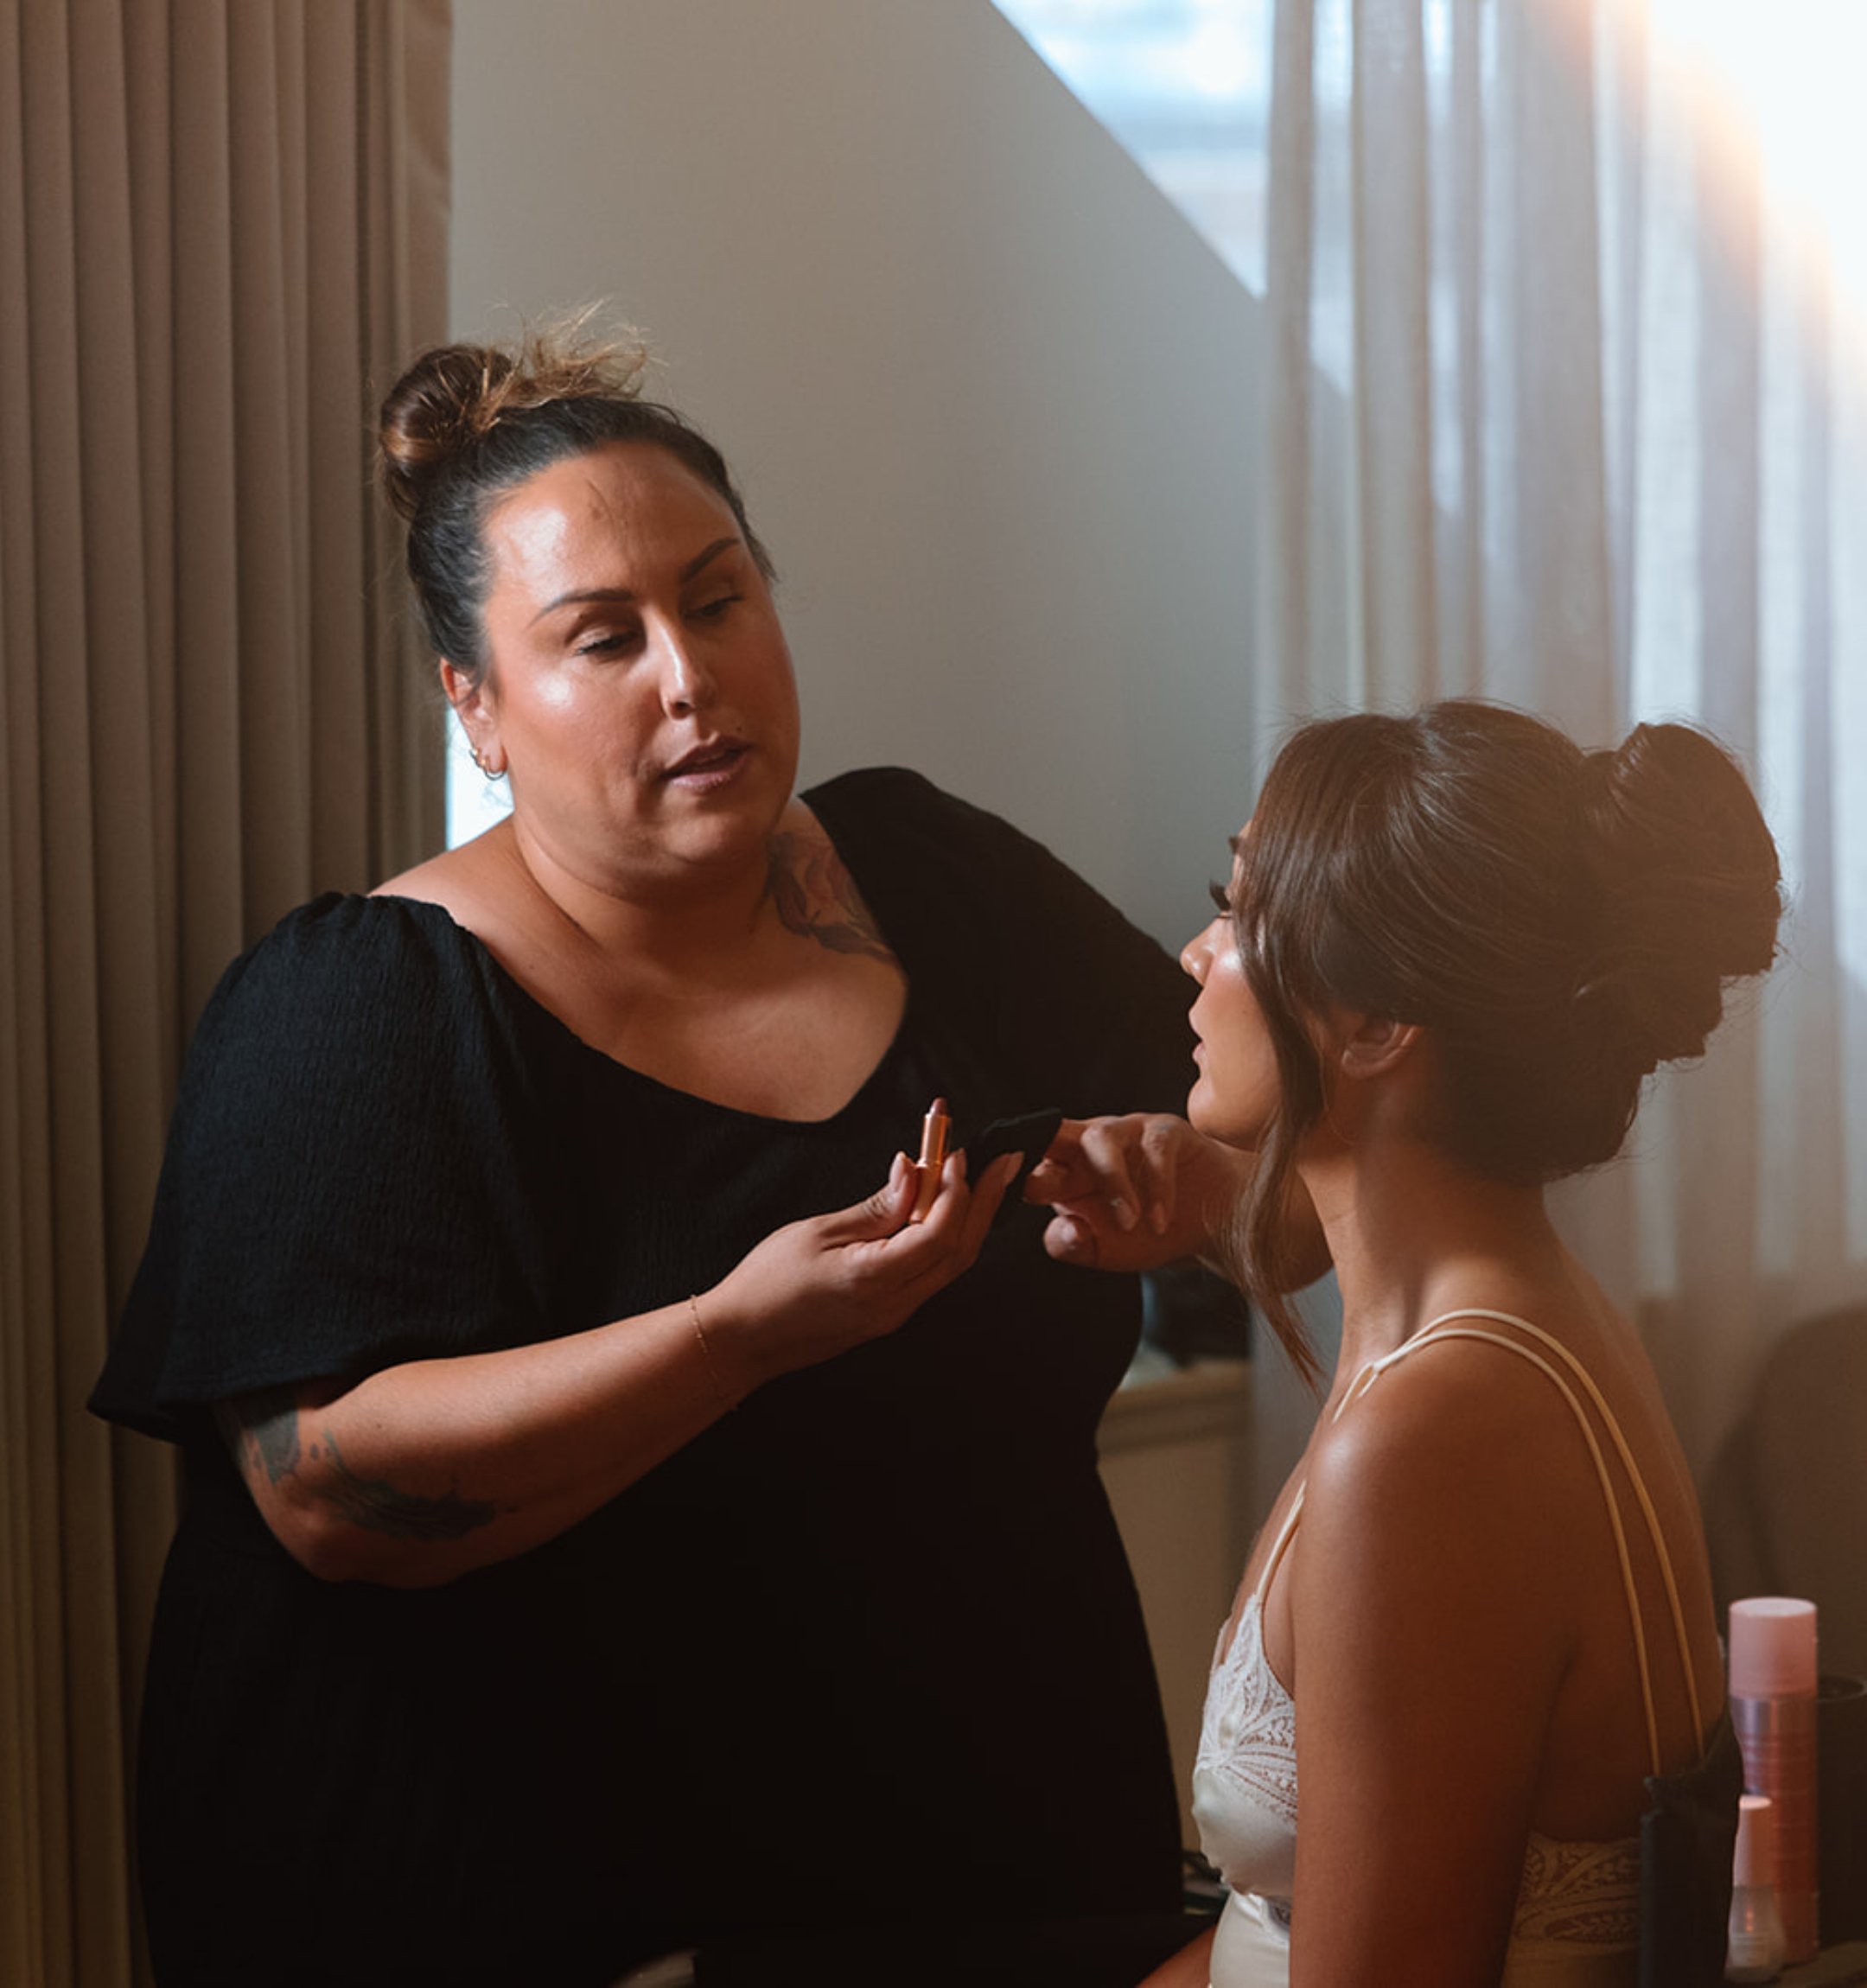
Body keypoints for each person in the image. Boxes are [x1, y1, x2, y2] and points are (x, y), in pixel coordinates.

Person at [90, 328, 1206, 1988]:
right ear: (473, 703)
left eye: (718, 599)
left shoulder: (941, 875)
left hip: (1003, 1876)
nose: (689, 677)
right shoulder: (361, 1006)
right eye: (600, 639)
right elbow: (324, 1489)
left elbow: (1280, 1154)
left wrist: (1200, 1185)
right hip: (525, 1912)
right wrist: (732, 1335)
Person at [1027, 702, 1778, 1985]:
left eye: (1240, 907)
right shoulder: (1520, 1322)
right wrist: (1212, 1196)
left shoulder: (1434, 1439)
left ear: (1376, 1030)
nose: (1198, 953)